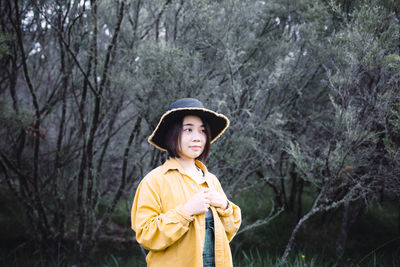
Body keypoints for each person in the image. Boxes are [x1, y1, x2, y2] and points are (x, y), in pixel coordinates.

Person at [131, 98, 241, 267]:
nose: (197, 138)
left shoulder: (211, 180)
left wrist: (225, 206)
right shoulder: (154, 181)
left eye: (202, 130)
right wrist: (186, 212)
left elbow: (229, 230)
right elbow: (146, 235)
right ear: (171, 134)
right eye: (188, 130)